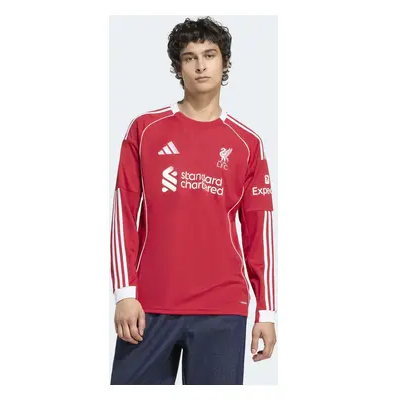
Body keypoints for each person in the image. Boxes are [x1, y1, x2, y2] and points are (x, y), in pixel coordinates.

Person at [110, 16, 277, 385]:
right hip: (149, 305)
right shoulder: (145, 129)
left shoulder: (247, 143)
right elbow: (124, 213)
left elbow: (259, 233)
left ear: (225, 62)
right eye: (190, 57)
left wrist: (266, 311)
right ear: (178, 67)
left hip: (222, 309)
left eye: (209, 55)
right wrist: (124, 293)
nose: (201, 65)